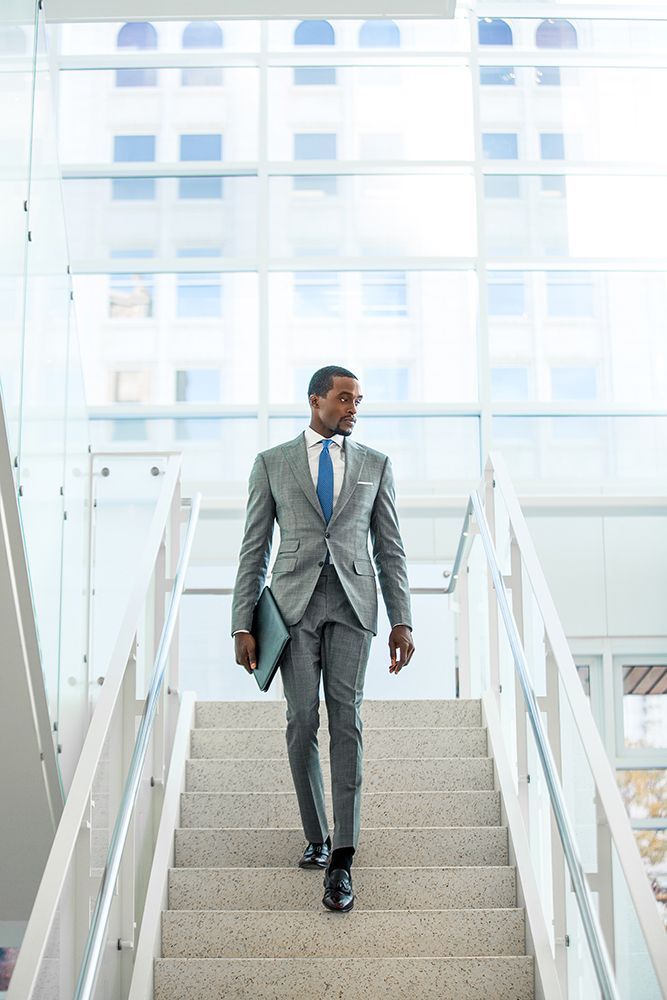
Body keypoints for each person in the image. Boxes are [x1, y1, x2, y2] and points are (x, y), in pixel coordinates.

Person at [231, 365, 415, 912]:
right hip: (292, 607)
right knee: (301, 721)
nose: (353, 408)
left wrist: (402, 619)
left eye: (358, 400)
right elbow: (254, 547)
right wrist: (242, 622)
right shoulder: (272, 463)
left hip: (354, 605)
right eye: (344, 398)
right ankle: (316, 833)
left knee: (347, 721)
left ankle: (342, 856)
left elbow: (390, 548)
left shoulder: (376, 465)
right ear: (316, 401)